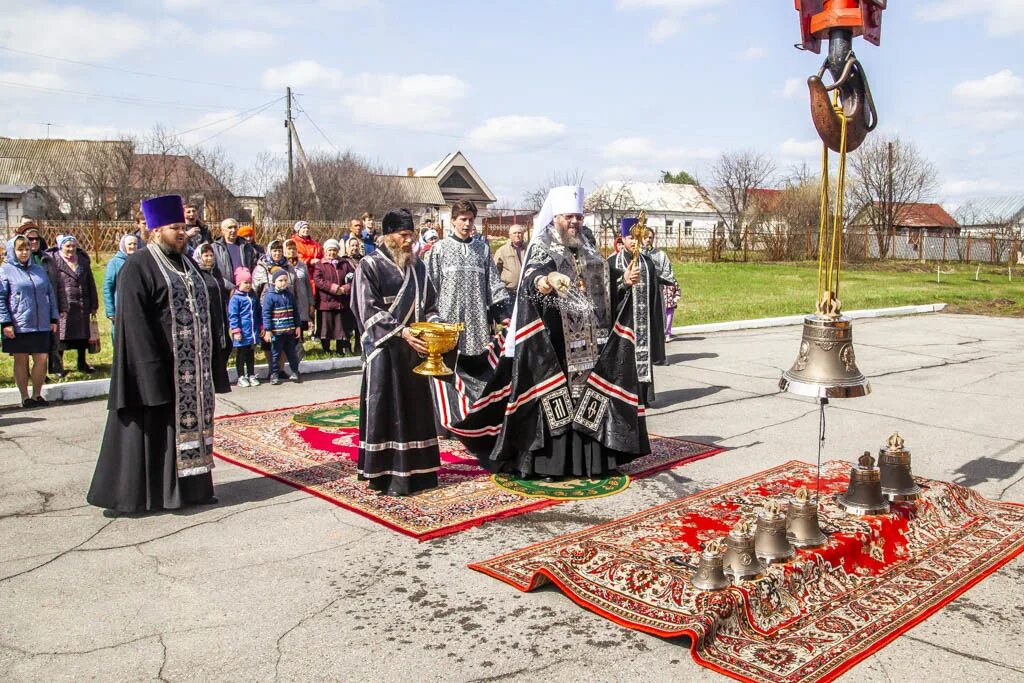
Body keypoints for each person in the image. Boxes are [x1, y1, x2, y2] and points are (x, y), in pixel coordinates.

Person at [452, 187, 649, 481]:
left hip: (591, 340)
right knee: (556, 401)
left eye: (579, 216)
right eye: (569, 216)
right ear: (556, 216)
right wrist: (546, 280)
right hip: (554, 339)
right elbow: (531, 278)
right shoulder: (543, 243)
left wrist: (622, 281)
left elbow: (601, 285)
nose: (575, 222)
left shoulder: (589, 242)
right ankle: (550, 464)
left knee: (589, 397)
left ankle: (593, 462)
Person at [87, 195, 217, 513]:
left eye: (184, 228)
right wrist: (150, 371)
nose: (182, 233)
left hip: (190, 370)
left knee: (186, 430)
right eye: (175, 228)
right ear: (156, 230)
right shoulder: (138, 266)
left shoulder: (187, 264)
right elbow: (134, 324)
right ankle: (154, 495)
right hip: (154, 367)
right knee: (155, 431)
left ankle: (192, 491)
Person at [352, 208, 442, 496]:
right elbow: (366, 309)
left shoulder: (418, 267)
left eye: (411, 235)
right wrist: (402, 332)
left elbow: (430, 305)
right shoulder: (369, 265)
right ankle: (385, 475)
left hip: (415, 352)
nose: (408, 241)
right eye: (403, 235)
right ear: (388, 236)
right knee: (387, 408)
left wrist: (436, 328)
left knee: (415, 410)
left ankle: (421, 473)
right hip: (386, 350)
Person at [427, 199, 508, 356]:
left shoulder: (482, 249)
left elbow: (493, 283)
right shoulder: (439, 249)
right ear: (453, 221)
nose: (467, 224)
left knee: (477, 368)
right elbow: (431, 286)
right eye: (463, 219)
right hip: (447, 320)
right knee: (448, 366)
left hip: (476, 321)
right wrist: (432, 317)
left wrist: (501, 314)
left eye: (471, 220)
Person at [608, 218, 666, 404]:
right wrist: (623, 283)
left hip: (642, 321)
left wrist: (655, 325)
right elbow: (606, 293)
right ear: (622, 239)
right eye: (629, 238)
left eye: (637, 238)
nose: (634, 242)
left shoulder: (647, 264)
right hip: (619, 320)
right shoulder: (611, 262)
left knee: (640, 357)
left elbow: (655, 297)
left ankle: (642, 397)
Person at [0, 235, 59, 407]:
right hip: (19, 324)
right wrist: (6, 322)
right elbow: (1, 298)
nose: (25, 252)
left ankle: (37, 395)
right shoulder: (5, 270)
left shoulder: (38, 269)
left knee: (41, 358)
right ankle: (25, 397)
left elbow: (49, 293)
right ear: (13, 251)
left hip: (41, 322)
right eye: (20, 249)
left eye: (27, 249)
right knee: (21, 359)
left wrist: (53, 317)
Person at [17, 220, 64, 376]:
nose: (34, 242)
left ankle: (54, 367)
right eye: (30, 239)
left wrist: (62, 305)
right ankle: (31, 372)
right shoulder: (19, 263)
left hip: (49, 305)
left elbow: (58, 283)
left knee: (51, 338)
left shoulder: (47, 259)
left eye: (37, 239)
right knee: (30, 342)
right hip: (28, 308)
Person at [51, 234, 98, 375]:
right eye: (67, 246)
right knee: (62, 336)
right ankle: (58, 366)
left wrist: (94, 304)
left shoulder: (83, 261)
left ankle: (82, 363)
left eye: (73, 246)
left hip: (82, 304)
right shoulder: (54, 262)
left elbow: (91, 282)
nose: (71, 249)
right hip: (64, 305)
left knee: (83, 336)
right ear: (61, 247)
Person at [192, 243, 232, 394]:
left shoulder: (216, 272)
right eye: (206, 255)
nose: (209, 258)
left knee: (225, 347)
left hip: (220, 315)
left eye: (211, 255)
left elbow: (227, 287)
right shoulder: (197, 273)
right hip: (206, 316)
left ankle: (218, 379)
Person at [313, 238, 357, 355]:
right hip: (326, 302)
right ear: (325, 251)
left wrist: (345, 289)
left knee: (341, 327)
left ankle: (340, 349)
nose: (332, 253)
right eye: (330, 250)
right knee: (326, 327)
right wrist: (334, 288)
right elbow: (318, 280)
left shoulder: (345, 264)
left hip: (342, 301)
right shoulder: (320, 265)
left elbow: (354, 278)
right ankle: (326, 349)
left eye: (334, 250)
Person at [261, 268, 302, 385]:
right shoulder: (270, 296)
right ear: (274, 282)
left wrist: (298, 326)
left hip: (289, 331)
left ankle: (295, 372)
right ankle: (274, 374)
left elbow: (295, 311)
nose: (283, 283)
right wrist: (268, 330)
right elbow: (266, 314)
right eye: (280, 280)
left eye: (285, 280)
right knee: (275, 354)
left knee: (292, 354)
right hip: (277, 332)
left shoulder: (289, 295)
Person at [641, 229, 680, 342]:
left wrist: (657, 280)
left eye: (650, 237)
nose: (648, 240)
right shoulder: (637, 254)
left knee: (657, 317)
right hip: (640, 292)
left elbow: (668, 272)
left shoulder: (661, 255)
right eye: (645, 237)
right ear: (641, 238)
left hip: (656, 291)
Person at [227, 267, 261, 387]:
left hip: (252, 331)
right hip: (242, 332)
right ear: (238, 283)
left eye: (250, 283)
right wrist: (236, 331)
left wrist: (260, 326)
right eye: (245, 283)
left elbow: (257, 313)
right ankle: (241, 376)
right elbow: (233, 316)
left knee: (250, 354)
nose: (248, 285)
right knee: (241, 354)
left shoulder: (252, 296)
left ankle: (251, 374)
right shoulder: (235, 299)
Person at [102, 234, 139, 346]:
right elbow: (108, 286)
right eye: (129, 244)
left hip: (136, 306)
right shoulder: (115, 262)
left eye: (135, 244)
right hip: (120, 306)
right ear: (123, 245)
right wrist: (110, 311)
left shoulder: (139, 261)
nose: (132, 246)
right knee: (120, 337)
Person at [211, 218, 256, 292]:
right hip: (225, 290)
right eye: (230, 227)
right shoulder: (215, 248)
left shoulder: (246, 247)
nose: (233, 230)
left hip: (245, 289)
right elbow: (214, 271)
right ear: (223, 230)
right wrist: (232, 288)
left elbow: (254, 267)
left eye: (235, 227)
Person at [283, 238, 315, 337]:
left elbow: (308, 285)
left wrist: (311, 303)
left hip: (302, 300)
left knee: (300, 324)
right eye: (289, 249)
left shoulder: (302, 265)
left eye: (293, 249)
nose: (291, 251)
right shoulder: (282, 266)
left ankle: (300, 346)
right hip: (288, 300)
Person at [493, 224, 527, 298]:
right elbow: (494, 271)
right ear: (510, 235)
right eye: (514, 233)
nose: (517, 235)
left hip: (526, 290)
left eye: (519, 233)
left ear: (523, 234)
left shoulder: (529, 249)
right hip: (509, 291)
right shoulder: (502, 250)